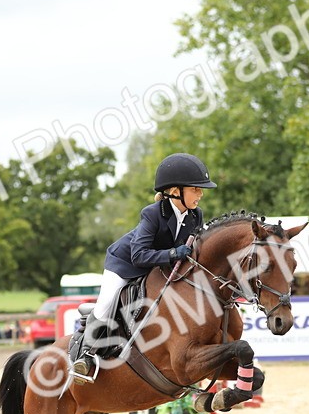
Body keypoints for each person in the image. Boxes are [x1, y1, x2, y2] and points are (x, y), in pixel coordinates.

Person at [71, 153, 216, 382]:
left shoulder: (196, 215)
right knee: (107, 304)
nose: (201, 194)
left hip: (157, 268)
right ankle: (84, 355)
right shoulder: (152, 213)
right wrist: (172, 253)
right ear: (175, 191)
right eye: (196, 189)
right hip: (125, 264)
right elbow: (139, 255)